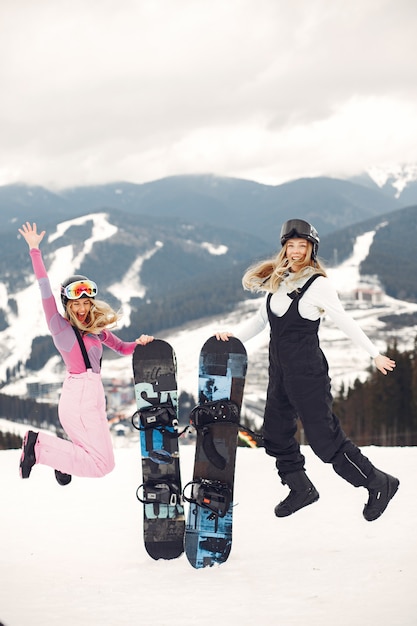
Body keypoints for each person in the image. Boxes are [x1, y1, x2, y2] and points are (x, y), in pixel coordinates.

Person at [216, 218, 399, 522]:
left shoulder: (319, 285)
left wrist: (374, 354)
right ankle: (300, 488)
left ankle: (378, 483)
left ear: (312, 249)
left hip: (308, 375)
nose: (297, 251)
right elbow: (261, 322)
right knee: (276, 435)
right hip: (280, 374)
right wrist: (232, 337)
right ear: (284, 248)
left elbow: (345, 320)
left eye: (303, 246)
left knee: (324, 440)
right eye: (292, 245)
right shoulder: (279, 281)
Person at [18, 221, 154, 484]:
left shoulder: (96, 330)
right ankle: (37, 447)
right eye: (76, 303)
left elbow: (123, 347)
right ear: (67, 304)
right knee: (101, 465)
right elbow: (45, 288)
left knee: (107, 461)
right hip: (78, 397)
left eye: (85, 303)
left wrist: (142, 343)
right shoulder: (59, 327)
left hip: (93, 397)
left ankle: (62, 459)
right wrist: (35, 250)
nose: (81, 309)